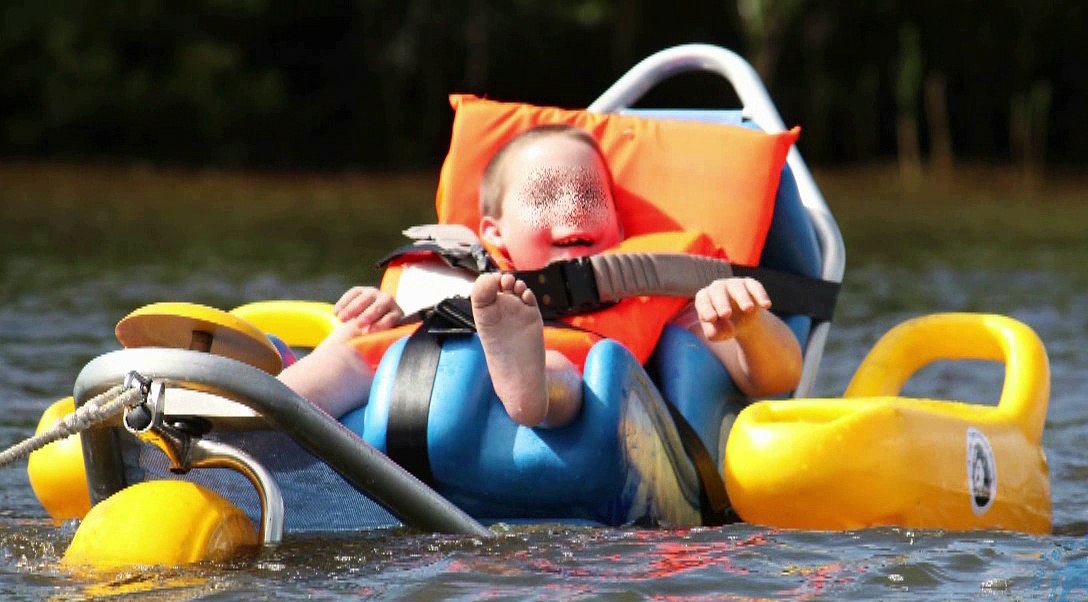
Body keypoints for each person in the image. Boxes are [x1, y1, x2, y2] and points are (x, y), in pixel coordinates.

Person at [279, 125, 803, 425]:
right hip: (425, 364)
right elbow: (388, 330)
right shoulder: (446, 274)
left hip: (559, 376)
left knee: (566, 371)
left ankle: (528, 385)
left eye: (590, 196)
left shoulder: (655, 285)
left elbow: (776, 377)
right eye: (546, 197)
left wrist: (749, 325)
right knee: (352, 354)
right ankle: (248, 414)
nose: (573, 210)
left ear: (618, 226)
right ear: (494, 233)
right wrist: (376, 315)